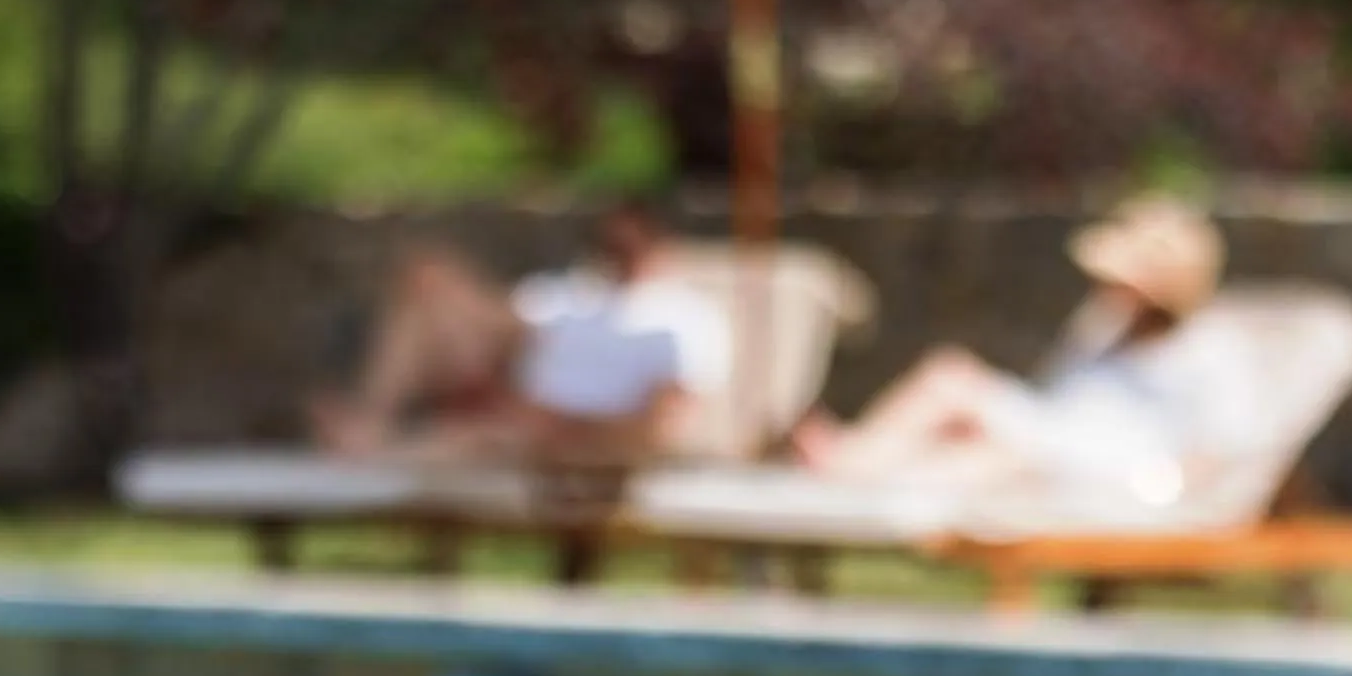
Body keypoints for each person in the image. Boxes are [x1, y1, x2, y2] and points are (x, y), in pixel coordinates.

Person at [792, 196, 1245, 505]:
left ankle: (849, 464)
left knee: (951, 379)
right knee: (975, 456)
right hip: (1058, 444)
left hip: (1109, 470)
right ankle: (859, 479)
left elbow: (1220, 449)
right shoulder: (1105, 328)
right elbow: (1055, 397)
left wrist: (1160, 494)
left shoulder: (1207, 352)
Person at [312, 203, 730, 466]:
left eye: (631, 241)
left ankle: (367, 446)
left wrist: (565, 426)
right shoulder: (569, 293)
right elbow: (500, 330)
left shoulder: (686, 319)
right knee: (426, 280)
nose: (619, 249)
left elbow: (663, 423)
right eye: (611, 240)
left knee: (477, 440)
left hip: (589, 441)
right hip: (518, 409)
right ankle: (369, 422)